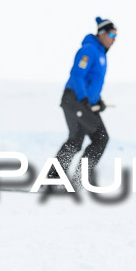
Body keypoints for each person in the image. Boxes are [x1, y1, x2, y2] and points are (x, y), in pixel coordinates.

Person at [47, 17, 117, 185]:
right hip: (74, 99)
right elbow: (77, 75)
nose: (114, 40)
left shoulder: (100, 53)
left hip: (82, 101)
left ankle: (57, 180)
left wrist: (97, 101)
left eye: (116, 36)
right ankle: (77, 180)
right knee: (100, 137)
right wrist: (84, 99)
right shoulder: (89, 50)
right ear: (101, 34)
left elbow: (92, 82)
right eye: (112, 35)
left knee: (76, 140)